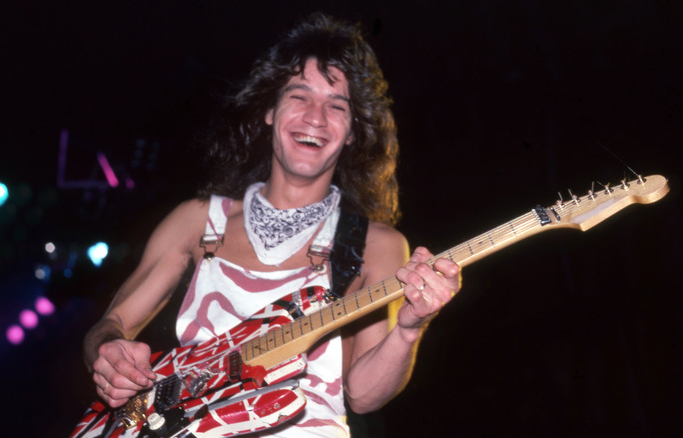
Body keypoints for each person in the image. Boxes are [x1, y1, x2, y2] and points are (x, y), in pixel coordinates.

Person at [82, 13, 460, 437]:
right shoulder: (197, 220)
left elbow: (363, 395)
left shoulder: (377, 245)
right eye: (299, 96)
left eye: (337, 105)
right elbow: (110, 326)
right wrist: (109, 353)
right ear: (268, 111)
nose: (315, 117)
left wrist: (409, 331)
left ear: (354, 131)